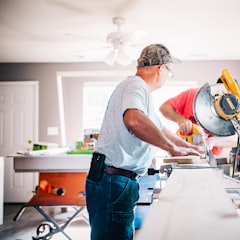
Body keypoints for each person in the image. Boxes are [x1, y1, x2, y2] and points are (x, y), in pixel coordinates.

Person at [85, 44, 203, 240]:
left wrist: (189, 148)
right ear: (161, 68)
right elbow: (133, 119)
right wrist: (172, 149)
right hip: (113, 180)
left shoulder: (140, 92)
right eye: (169, 71)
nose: (167, 76)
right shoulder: (136, 86)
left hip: (115, 179)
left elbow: (161, 129)